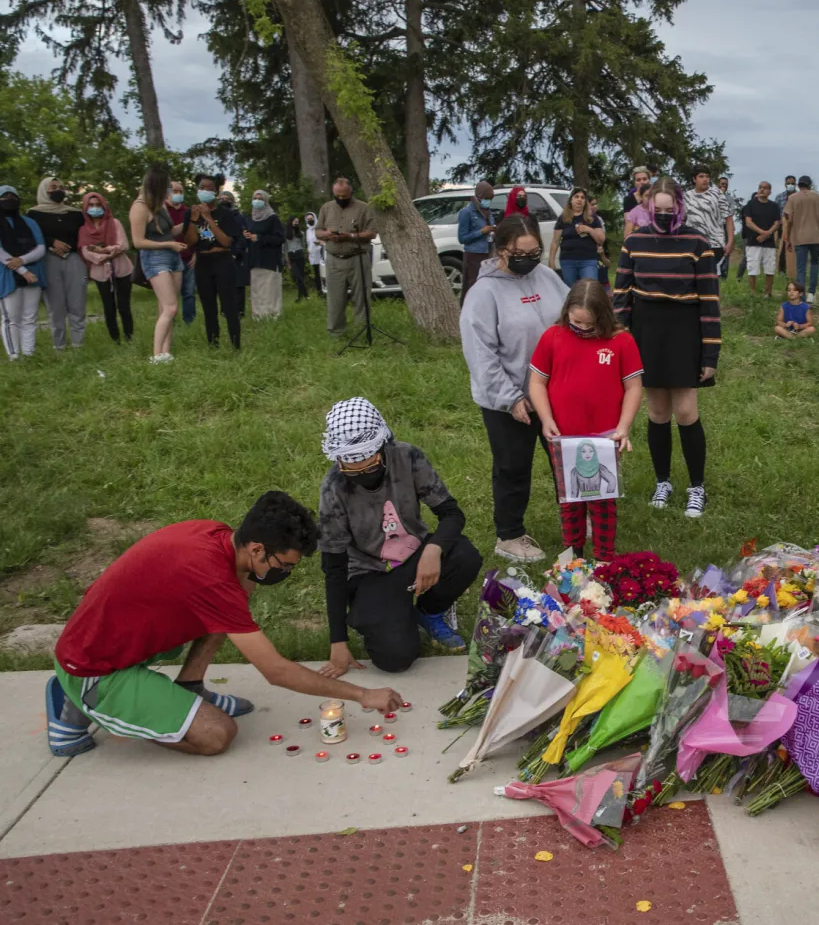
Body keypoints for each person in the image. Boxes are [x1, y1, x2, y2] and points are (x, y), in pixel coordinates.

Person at [44, 491, 405, 758]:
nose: (286, 574)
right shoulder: (210, 580)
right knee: (216, 735)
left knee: (236, 597)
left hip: (120, 638)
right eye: (285, 565)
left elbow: (235, 598)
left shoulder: (219, 539)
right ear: (258, 550)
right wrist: (362, 695)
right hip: (93, 666)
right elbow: (276, 672)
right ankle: (77, 703)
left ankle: (189, 688)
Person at [316, 398, 482, 674]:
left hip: (415, 554)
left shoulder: (408, 458)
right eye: (351, 470)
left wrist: (433, 550)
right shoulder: (333, 488)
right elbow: (333, 567)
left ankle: (429, 612)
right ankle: (391, 613)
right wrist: (338, 639)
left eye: (369, 468)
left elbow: (452, 514)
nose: (362, 475)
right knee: (395, 658)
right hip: (370, 572)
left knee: (465, 556)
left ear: (383, 447)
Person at [461, 214, 568, 562]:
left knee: (566, 459)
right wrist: (511, 398)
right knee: (513, 466)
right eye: (521, 252)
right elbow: (481, 354)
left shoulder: (548, 277)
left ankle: (578, 521)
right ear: (502, 250)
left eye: (535, 251)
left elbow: (572, 316)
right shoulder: (484, 293)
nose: (530, 258)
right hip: (510, 398)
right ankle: (509, 536)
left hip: (556, 393)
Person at [614, 177, 719, 519]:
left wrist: (710, 353)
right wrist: (623, 343)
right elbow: (621, 298)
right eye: (656, 210)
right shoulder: (634, 243)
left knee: (687, 412)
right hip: (646, 332)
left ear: (679, 207)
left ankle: (697, 487)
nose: (662, 215)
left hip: (684, 330)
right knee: (657, 412)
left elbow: (709, 300)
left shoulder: (697, 242)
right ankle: (663, 481)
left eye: (668, 209)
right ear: (647, 208)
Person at [527, 280, 645, 561]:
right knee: (569, 498)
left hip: (605, 436)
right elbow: (537, 382)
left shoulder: (621, 341)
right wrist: (545, 419)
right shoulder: (553, 336)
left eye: (588, 324)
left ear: (603, 317)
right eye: (575, 321)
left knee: (603, 498)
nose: (580, 328)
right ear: (566, 311)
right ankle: (573, 555)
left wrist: (623, 428)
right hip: (565, 436)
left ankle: (605, 556)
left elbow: (633, 387)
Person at [129, 167, 188, 364]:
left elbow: (170, 230)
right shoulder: (139, 207)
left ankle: (165, 353)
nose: (171, 190)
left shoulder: (161, 205)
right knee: (171, 307)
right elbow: (138, 242)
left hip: (173, 257)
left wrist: (190, 221)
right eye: (168, 186)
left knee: (166, 308)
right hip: (155, 259)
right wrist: (168, 244)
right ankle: (156, 357)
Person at [29, 177, 87, 351]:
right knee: (55, 306)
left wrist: (70, 247)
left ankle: (78, 345)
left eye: (61, 187)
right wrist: (51, 243)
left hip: (74, 259)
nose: (58, 190)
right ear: (44, 190)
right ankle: (59, 346)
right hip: (48, 260)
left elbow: (85, 235)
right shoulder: (34, 214)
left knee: (77, 303)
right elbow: (31, 236)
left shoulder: (75, 213)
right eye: (53, 187)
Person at [317, 177, 377, 336]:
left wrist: (350, 236)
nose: (341, 199)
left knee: (361, 296)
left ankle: (362, 331)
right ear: (333, 193)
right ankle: (336, 332)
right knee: (335, 298)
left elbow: (372, 232)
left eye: (344, 196)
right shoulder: (326, 208)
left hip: (357, 257)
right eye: (338, 196)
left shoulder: (363, 208)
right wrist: (327, 234)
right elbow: (318, 231)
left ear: (351, 192)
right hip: (334, 258)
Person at [191, 175, 244, 350]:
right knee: (209, 307)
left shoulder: (225, 214)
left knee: (229, 306)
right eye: (202, 187)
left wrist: (208, 219)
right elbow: (190, 241)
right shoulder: (192, 213)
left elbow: (227, 241)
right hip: (203, 261)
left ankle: (236, 345)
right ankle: (213, 345)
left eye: (209, 188)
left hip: (222, 260)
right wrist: (192, 220)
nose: (205, 191)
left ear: (216, 191)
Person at [78, 191, 134, 344]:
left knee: (124, 305)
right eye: (91, 205)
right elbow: (85, 250)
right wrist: (104, 255)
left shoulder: (114, 223)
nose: (95, 208)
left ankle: (129, 337)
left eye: (98, 205)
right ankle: (115, 339)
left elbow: (123, 245)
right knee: (109, 307)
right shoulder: (83, 229)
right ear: (85, 207)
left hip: (121, 269)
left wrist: (100, 250)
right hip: (100, 272)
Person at [1, 185, 48, 360]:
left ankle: (29, 354)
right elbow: (1, 253)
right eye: (4, 197)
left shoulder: (30, 223)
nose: (8, 200)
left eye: (12, 197)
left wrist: (23, 261)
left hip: (34, 272)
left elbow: (41, 248)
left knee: (29, 317)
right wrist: (22, 271)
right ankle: (14, 356)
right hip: (7, 275)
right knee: (10, 318)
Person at [683, 165, 734, 280]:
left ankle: (713, 297)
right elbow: (682, 219)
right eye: (701, 176)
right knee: (693, 276)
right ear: (694, 179)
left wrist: (730, 241)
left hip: (714, 243)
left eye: (707, 176)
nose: (705, 179)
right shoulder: (687, 196)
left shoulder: (717, 194)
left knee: (710, 276)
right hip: (693, 242)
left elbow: (729, 218)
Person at [549, 187, 606, 286]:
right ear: (571, 200)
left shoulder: (592, 218)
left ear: (585, 202)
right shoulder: (563, 218)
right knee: (570, 291)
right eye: (576, 197)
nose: (579, 199)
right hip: (568, 261)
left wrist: (589, 230)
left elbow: (601, 240)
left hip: (588, 260)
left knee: (590, 289)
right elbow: (555, 241)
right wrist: (551, 262)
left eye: (582, 197)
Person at [244, 189, 287, 320]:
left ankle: (272, 315)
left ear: (266, 201)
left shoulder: (272, 218)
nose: (257, 201)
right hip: (255, 258)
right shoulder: (250, 218)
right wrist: (246, 236)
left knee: (270, 289)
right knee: (257, 289)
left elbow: (280, 238)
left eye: (261, 199)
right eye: (255, 198)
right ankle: (258, 316)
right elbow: (249, 234)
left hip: (269, 259)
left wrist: (260, 238)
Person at [783, 175, 819, 302]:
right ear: (810, 184)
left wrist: (789, 237)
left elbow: (789, 220)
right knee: (814, 263)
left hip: (799, 236)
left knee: (800, 267)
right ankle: (812, 294)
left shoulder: (792, 198)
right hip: (815, 236)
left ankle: (801, 294)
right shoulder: (818, 197)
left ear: (798, 185)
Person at [458, 181, 496, 304]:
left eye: (490, 199)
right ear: (479, 196)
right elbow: (462, 238)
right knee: (472, 284)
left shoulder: (488, 212)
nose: (488, 201)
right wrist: (481, 232)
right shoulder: (467, 212)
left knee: (486, 284)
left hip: (488, 252)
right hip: (474, 254)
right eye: (486, 198)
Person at [741, 181, 781, 297]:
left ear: (770, 191)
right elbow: (748, 222)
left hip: (768, 243)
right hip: (753, 241)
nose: (762, 190)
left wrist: (767, 233)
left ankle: (767, 293)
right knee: (752, 268)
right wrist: (762, 232)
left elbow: (777, 223)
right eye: (760, 187)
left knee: (770, 268)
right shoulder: (750, 204)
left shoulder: (774, 206)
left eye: (765, 188)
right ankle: (752, 292)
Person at [167, 180, 197, 327]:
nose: (178, 194)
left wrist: (196, 253)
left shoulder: (188, 211)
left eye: (180, 191)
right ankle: (170, 322)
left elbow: (198, 233)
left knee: (189, 293)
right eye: (175, 191)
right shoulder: (162, 210)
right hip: (169, 258)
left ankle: (189, 322)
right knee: (170, 294)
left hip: (188, 257)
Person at [622, 166, 653, 238]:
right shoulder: (628, 199)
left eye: (644, 179)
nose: (642, 182)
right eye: (638, 180)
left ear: (649, 180)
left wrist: (638, 227)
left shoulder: (655, 197)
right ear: (635, 182)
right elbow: (629, 225)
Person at [286, 214, 309, 301]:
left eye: (297, 222)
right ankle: (306, 294)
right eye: (295, 222)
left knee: (301, 277)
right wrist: (287, 261)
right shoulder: (286, 234)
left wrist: (304, 253)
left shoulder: (301, 233)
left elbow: (303, 245)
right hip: (291, 256)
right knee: (297, 276)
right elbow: (285, 249)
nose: (296, 223)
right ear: (291, 222)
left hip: (300, 255)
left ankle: (300, 297)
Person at [305, 212, 325, 296]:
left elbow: (325, 239)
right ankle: (319, 291)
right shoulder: (308, 230)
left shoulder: (320, 228)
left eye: (311, 218)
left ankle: (325, 290)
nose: (310, 220)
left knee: (322, 273)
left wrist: (320, 242)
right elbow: (308, 242)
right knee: (316, 274)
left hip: (320, 253)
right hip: (313, 255)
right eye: (308, 219)